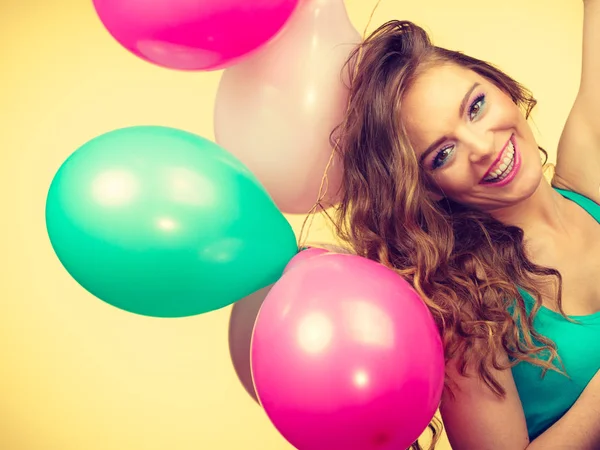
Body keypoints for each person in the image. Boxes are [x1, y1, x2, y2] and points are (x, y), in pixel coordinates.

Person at [331, 2, 600, 449]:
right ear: (430, 188)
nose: (480, 147)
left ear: (501, 88)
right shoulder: (465, 309)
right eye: (443, 153)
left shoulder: (586, 181)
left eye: (475, 106)